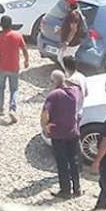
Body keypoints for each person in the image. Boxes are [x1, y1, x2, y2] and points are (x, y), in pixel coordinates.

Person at [41, 70, 82, 199]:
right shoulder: (74, 92)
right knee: (73, 161)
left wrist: (45, 128)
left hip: (58, 134)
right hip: (73, 132)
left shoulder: (53, 95)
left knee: (62, 163)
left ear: (54, 82)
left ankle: (65, 190)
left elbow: (45, 115)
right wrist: (64, 80)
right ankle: (77, 188)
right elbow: (75, 84)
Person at [0, 16, 29, 122]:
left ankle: (0, 109)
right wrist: (26, 60)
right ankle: (12, 108)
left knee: (1, 88)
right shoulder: (17, 36)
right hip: (14, 67)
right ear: (11, 24)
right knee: (14, 89)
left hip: (1, 67)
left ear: (1, 25)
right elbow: (24, 49)